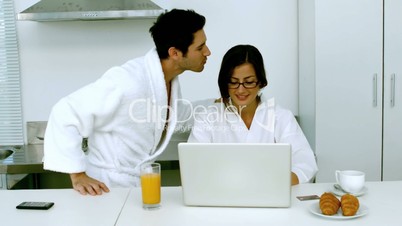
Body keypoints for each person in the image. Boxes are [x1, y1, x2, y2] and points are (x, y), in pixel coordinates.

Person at [43, 9, 211, 195]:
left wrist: (219, 104)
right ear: (175, 53)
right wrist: (78, 174)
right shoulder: (128, 81)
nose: (207, 52)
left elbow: (177, 114)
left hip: (134, 185)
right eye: (200, 47)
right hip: (105, 187)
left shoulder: (166, 81)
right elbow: (65, 111)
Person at [188, 44, 317, 185]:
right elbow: (193, 167)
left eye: (249, 82)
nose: (241, 90)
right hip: (222, 198)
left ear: (260, 81)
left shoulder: (280, 117)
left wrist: (274, 181)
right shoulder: (207, 118)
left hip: (270, 197)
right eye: (233, 82)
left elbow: (305, 163)